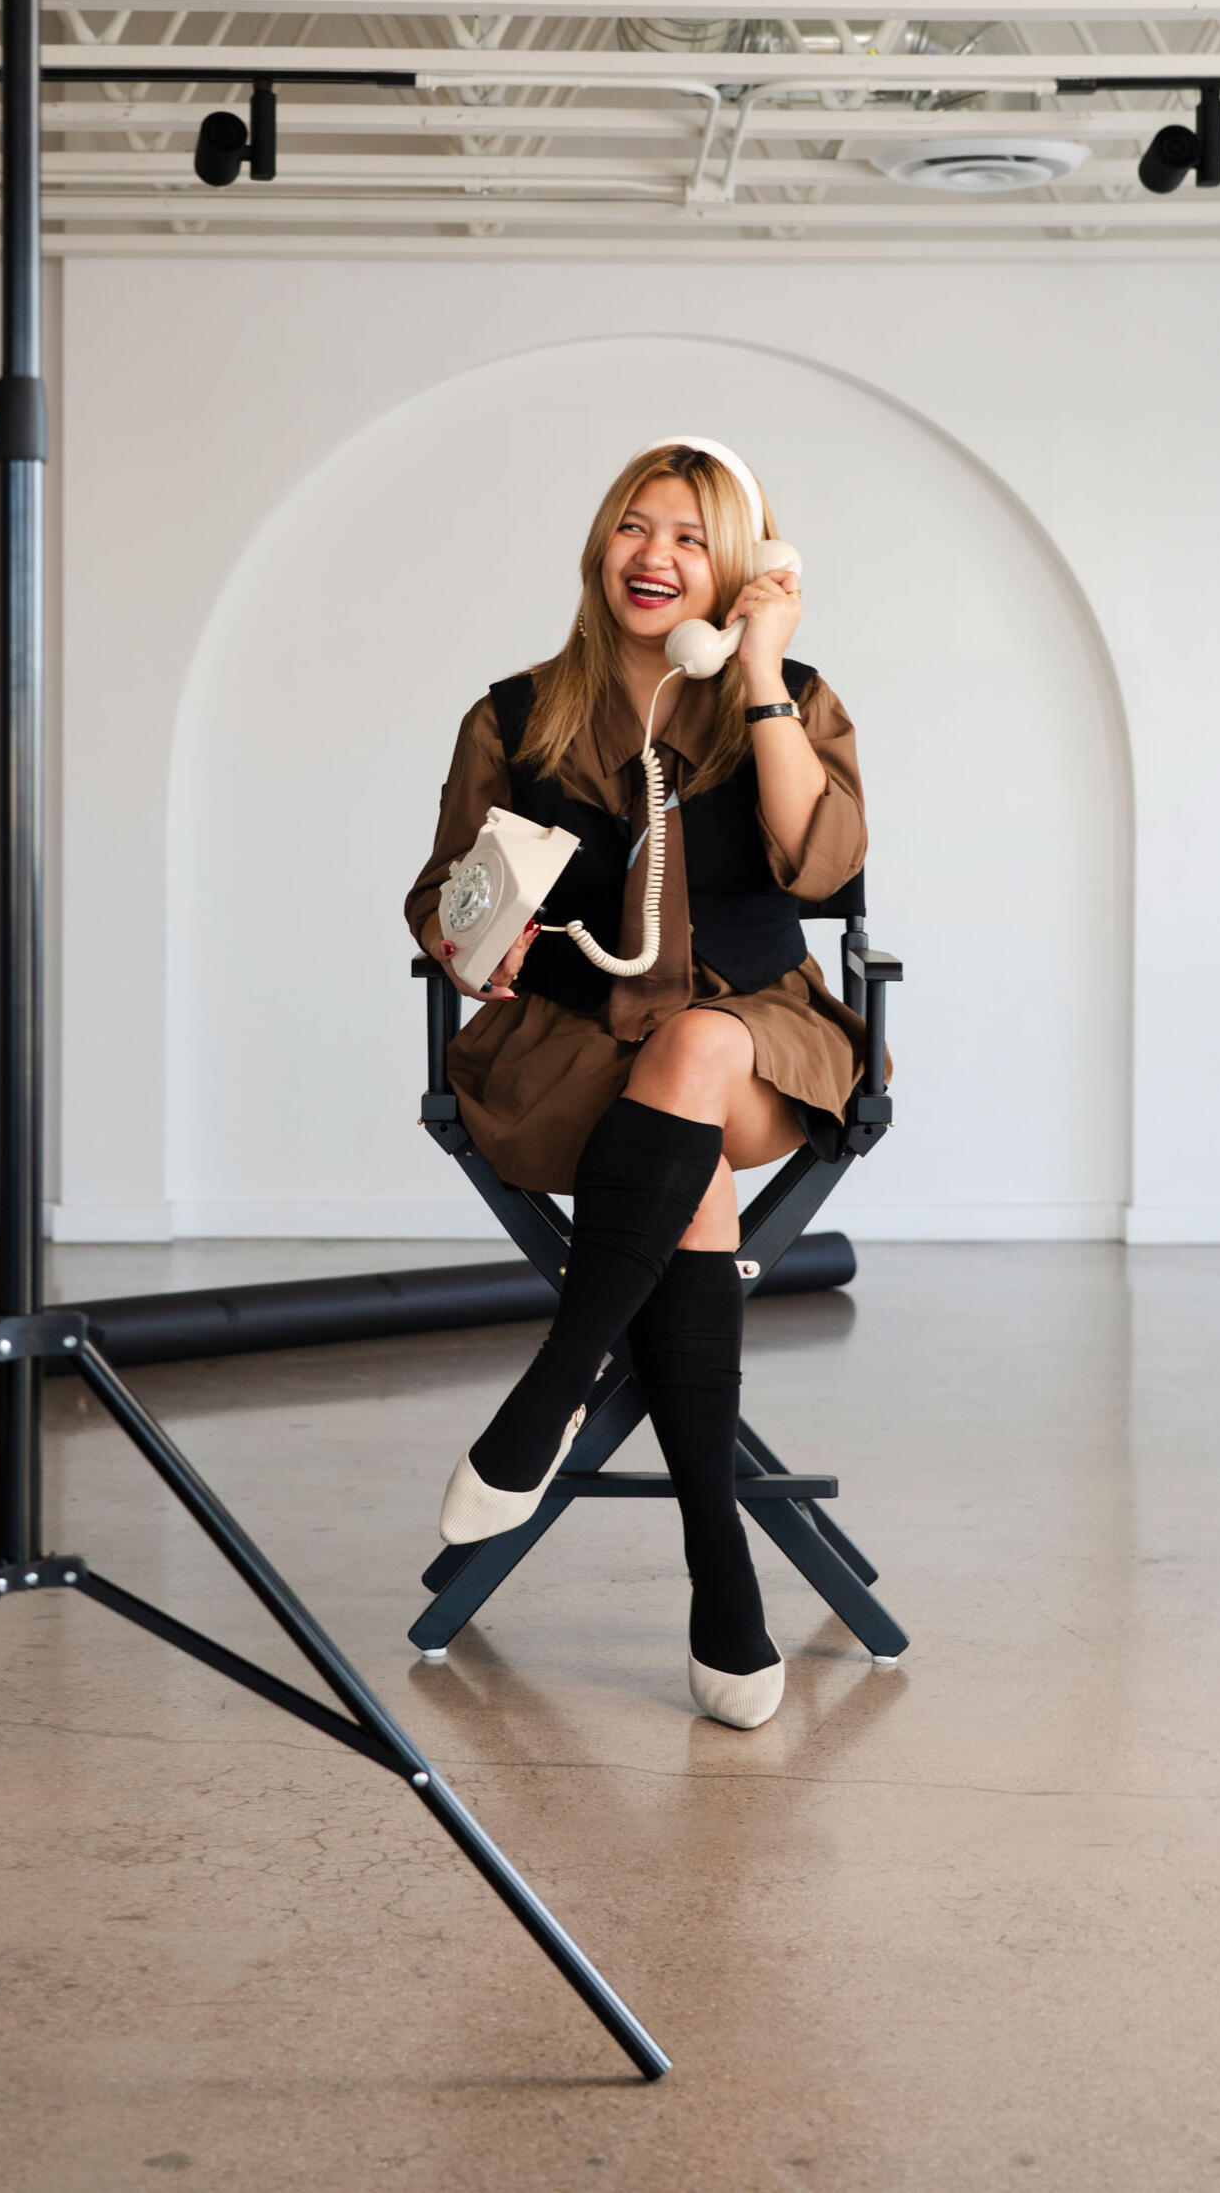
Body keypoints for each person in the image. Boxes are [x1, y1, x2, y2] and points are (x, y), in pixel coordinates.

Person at [405, 438, 875, 1730]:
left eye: (687, 535)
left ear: (737, 567)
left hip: (763, 1032)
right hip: (568, 1054)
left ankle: (549, 1391)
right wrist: (473, 929)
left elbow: (822, 870)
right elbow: (439, 896)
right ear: (598, 545)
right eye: (632, 526)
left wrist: (764, 672)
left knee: (702, 1045)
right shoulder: (514, 713)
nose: (653, 556)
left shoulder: (796, 692)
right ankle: (722, 1580)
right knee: (691, 1174)